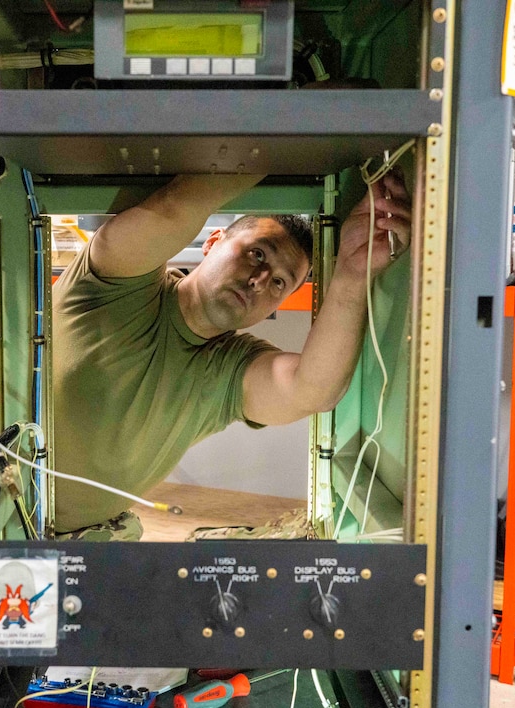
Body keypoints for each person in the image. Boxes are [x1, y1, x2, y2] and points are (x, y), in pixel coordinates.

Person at [51, 172, 411, 540]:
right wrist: (285, 137)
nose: (259, 280)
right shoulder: (116, 285)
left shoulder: (226, 368)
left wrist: (352, 274)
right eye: (256, 253)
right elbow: (172, 211)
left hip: (86, 539)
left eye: (279, 283)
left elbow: (310, 390)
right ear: (212, 242)